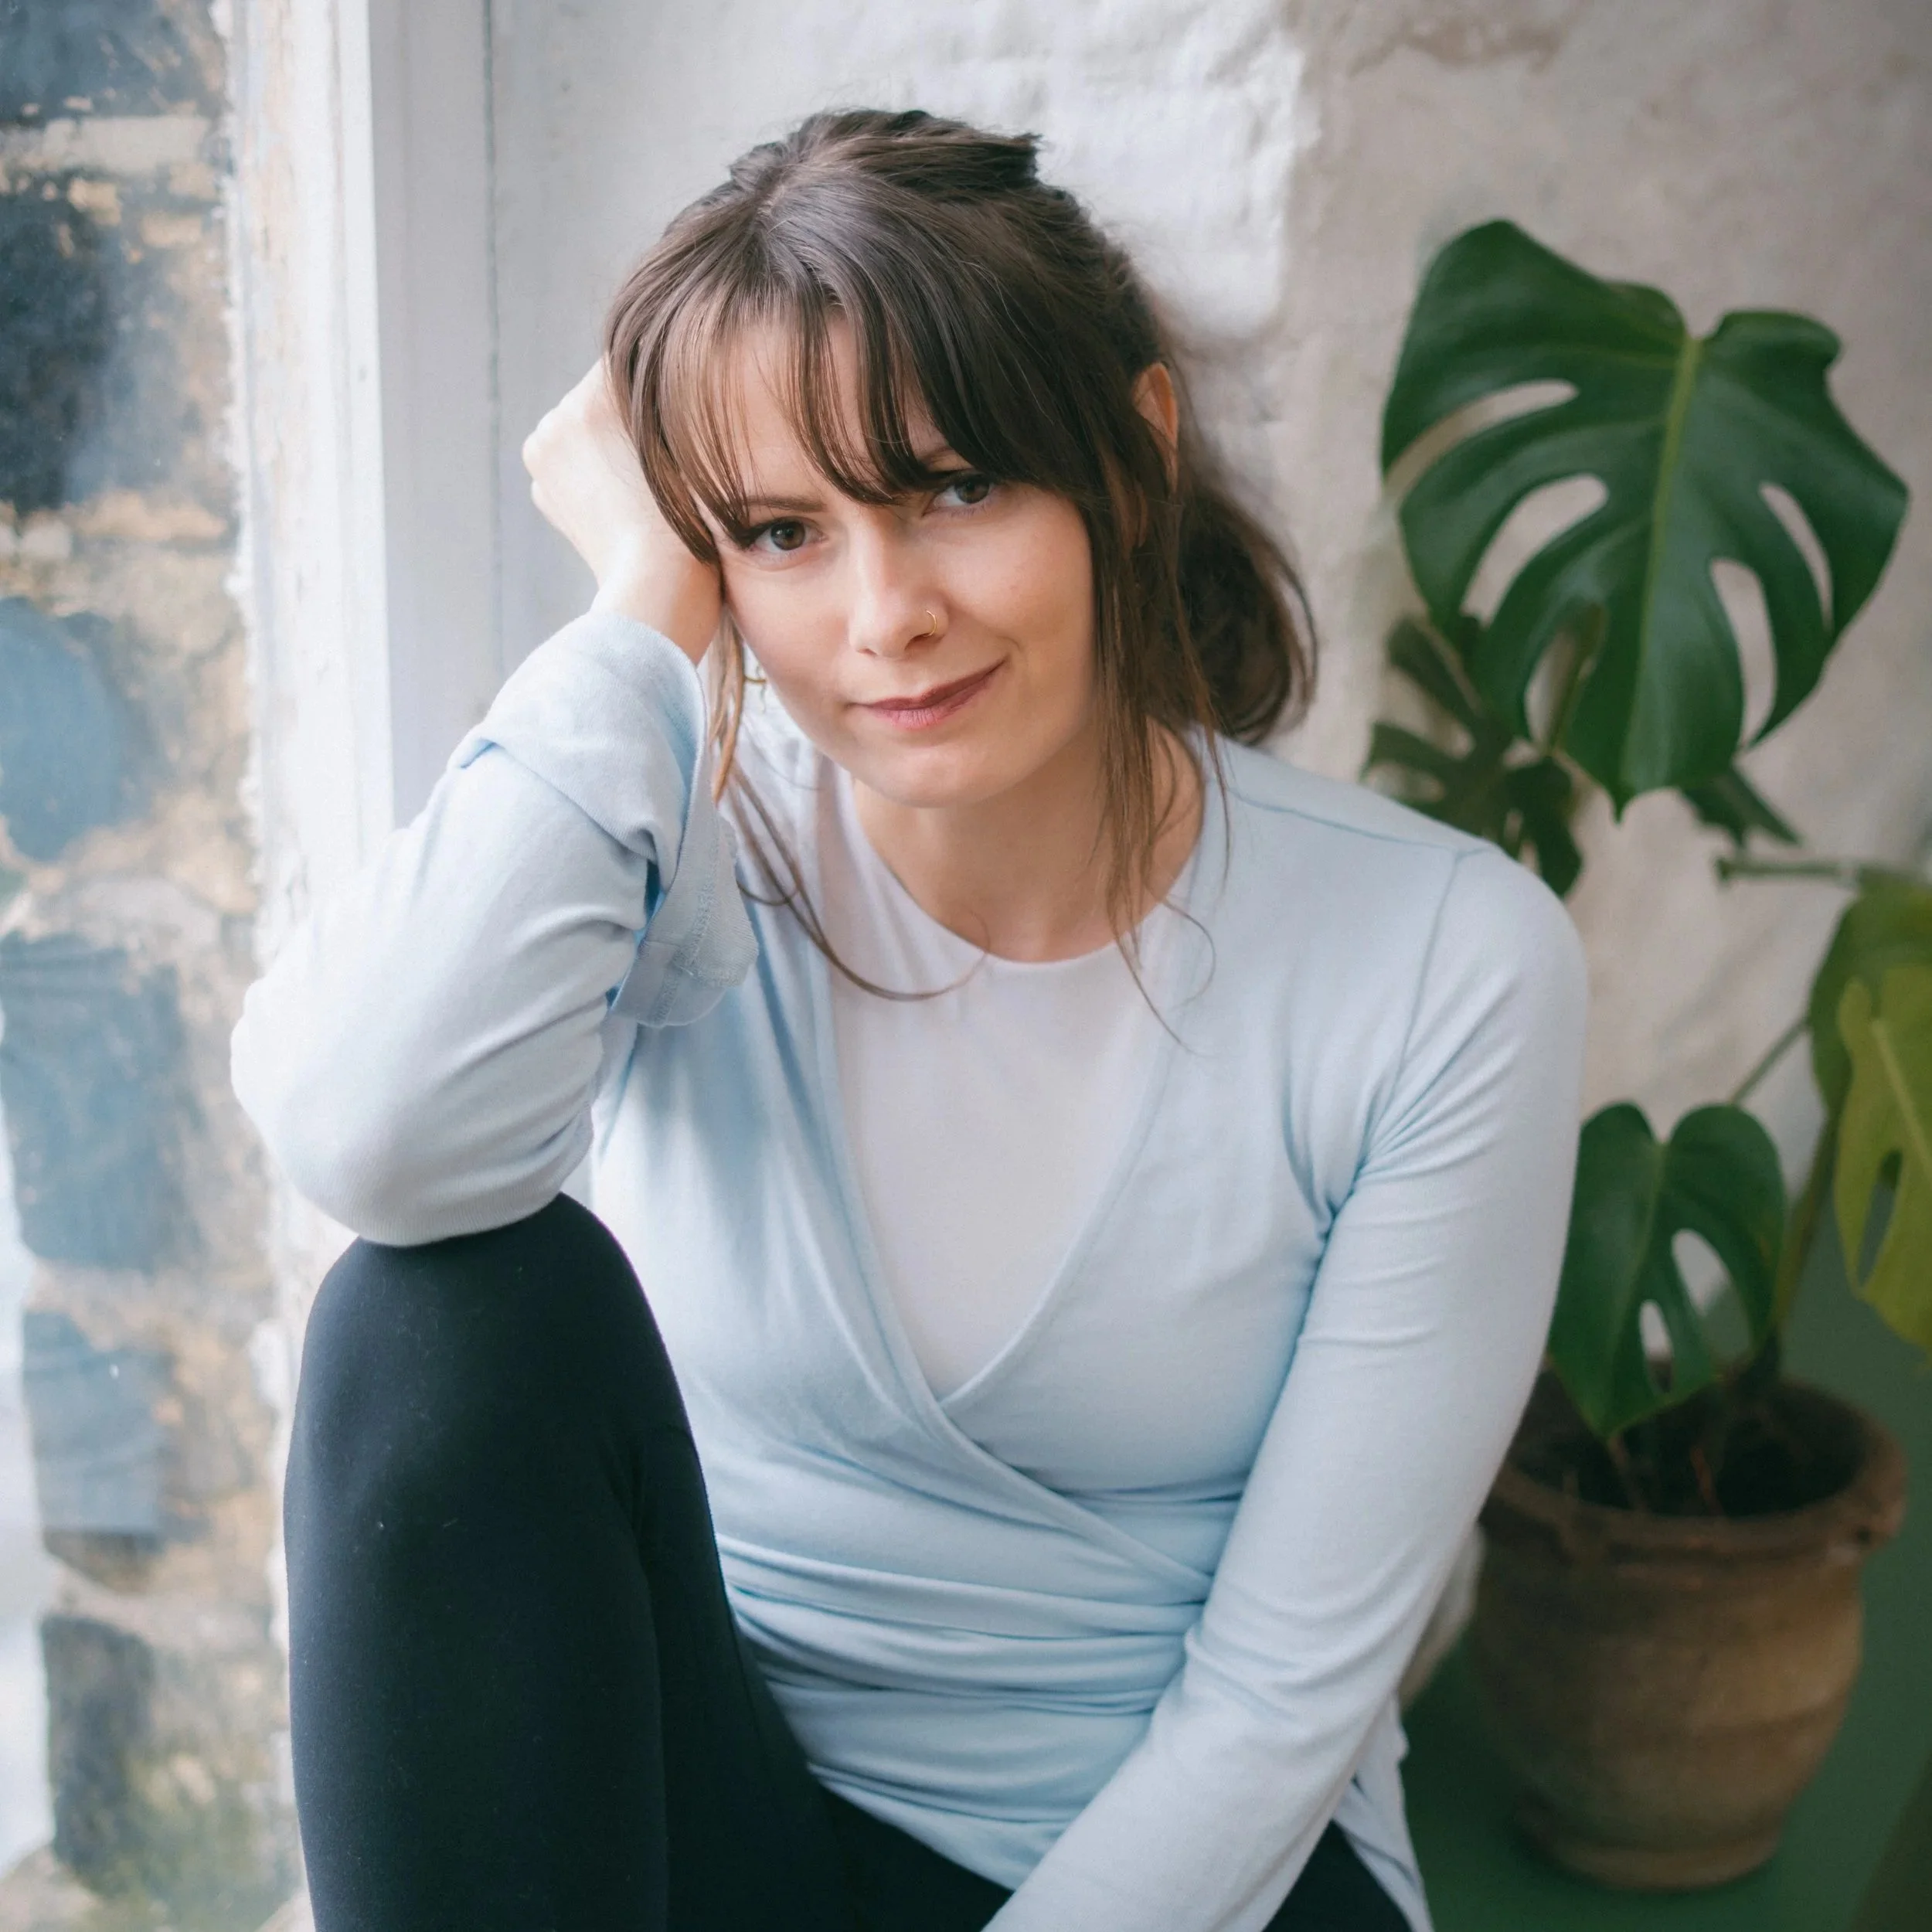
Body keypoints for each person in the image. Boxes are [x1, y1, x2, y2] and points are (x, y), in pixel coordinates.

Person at [232, 108, 1587, 1932]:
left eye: (954, 487)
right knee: (435, 1311)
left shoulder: (1439, 961)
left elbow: (1273, 1714)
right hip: (729, 1811)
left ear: (1132, 451)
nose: (888, 616)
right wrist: (640, 615)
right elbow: (366, 1135)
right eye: (782, 532)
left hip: (1188, 1862)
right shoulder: (664, 851)